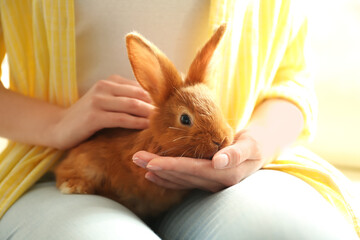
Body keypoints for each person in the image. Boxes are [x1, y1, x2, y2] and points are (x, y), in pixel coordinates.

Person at [0, 0, 359, 239]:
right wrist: (57, 124)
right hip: (60, 170)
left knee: (292, 231)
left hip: (231, 179)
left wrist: (255, 145)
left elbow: (291, 78)